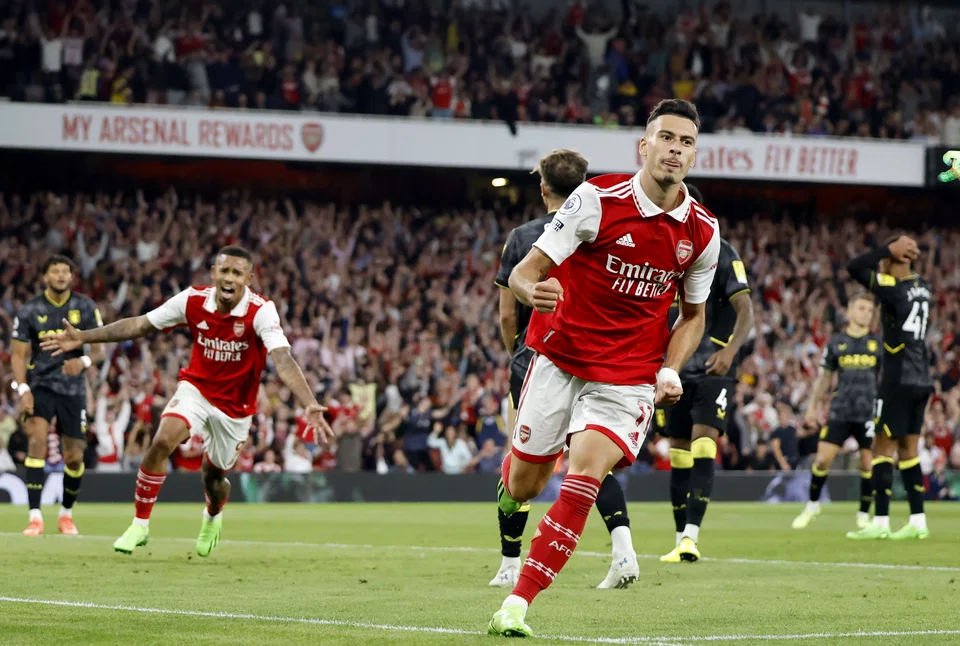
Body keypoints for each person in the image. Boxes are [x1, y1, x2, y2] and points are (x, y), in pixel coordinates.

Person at [488, 99, 720, 637]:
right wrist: (532, 292)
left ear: (693, 154)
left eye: (686, 142)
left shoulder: (703, 232)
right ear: (645, 145)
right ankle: (514, 484)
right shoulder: (596, 200)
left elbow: (693, 316)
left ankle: (517, 605)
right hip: (558, 358)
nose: (675, 149)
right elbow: (525, 272)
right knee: (524, 484)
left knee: (585, 475)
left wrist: (671, 366)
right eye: (666, 138)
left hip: (627, 377)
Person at [41, 246, 334, 555]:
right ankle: (139, 525)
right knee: (162, 441)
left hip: (235, 407)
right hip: (196, 389)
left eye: (237, 273)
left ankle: (212, 515)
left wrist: (308, 401)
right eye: (224, 271)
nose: (229, 278)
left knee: (214, 476)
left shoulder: (260, 311)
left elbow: (282, 357)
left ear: (248, 278)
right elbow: (140, 324)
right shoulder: (193, 300)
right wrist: (84, 337)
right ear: (214, 273)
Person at [492, 148, 640, 591]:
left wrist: (513, 352)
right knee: (590, 462)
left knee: (521, 464)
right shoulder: (603, 226)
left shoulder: (525, 236)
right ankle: (623, 548)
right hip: (601, 357)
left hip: (542, 358)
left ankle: (509, 563)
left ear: (542, 188)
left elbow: (506, 313)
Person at [659, 184, 754, 564]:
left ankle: (692, 537)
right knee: (678, 454)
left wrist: (730, 350)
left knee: (703, 446)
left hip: (713, 366)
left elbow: (745, 309)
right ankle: (681, 537)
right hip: (674, 368)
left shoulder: (721, 250)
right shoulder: (663, 250)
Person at [845, 234, 932, 540]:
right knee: (910, 450)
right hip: (922, 377)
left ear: (896, 260)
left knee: (882, 448)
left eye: (886, 261)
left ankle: (880, 522)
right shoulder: (923, 289)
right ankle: (918, 520)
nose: (880, 265)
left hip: (897, 378)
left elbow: (854, 266)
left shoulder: (893, 289)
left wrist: (885, 249)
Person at [11, 254, 104, 536]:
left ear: (72, 277)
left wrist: (84, 362)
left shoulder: (85, 307)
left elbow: (100, 348)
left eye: (66, 271)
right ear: (45, 277)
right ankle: (35, 517)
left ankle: (66, 513)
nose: (61, 276)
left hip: (73, 387)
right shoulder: (30, 310)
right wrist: (23, 389)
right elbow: (17, 355)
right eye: (55, 271)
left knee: (75, 456)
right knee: (37, 442)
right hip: (40, 385)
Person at [792, 293, 881, 530]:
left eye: (870, 310)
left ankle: (863, 514)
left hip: (868, 412)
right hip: (841, 410)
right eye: (862, 308)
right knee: (822, 460)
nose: (867, 314)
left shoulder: (877, 344)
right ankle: (812, 505)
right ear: (850, 311)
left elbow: (884, 380)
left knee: (867, 464)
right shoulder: (836, 343)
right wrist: (812, 407)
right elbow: (824, 379)